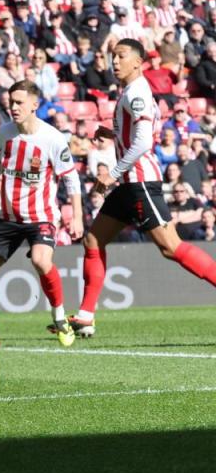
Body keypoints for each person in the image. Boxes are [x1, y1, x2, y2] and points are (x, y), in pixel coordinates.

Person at [68, 39, 216, 337]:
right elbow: (139, 133)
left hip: (139, 182)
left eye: (121, 56)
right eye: (112, 57)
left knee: (170, 247)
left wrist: (113, 172)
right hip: (128, 184)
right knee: (93, 241)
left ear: (138, 62)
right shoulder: (132, 91)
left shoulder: (137, 93)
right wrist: (114, 133)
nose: (115, 62)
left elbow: (144, 142)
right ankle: (86, 315)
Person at [0, 81, 83, 349]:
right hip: (8, 218)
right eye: (12, 102)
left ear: (35, 105)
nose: (14, 107)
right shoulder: (4, 133)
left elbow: (71, 179)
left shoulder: (53, 138)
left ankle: (59, 318)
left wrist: (77, 216)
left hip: (41, 217)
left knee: (41, 261)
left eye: (20, 102)